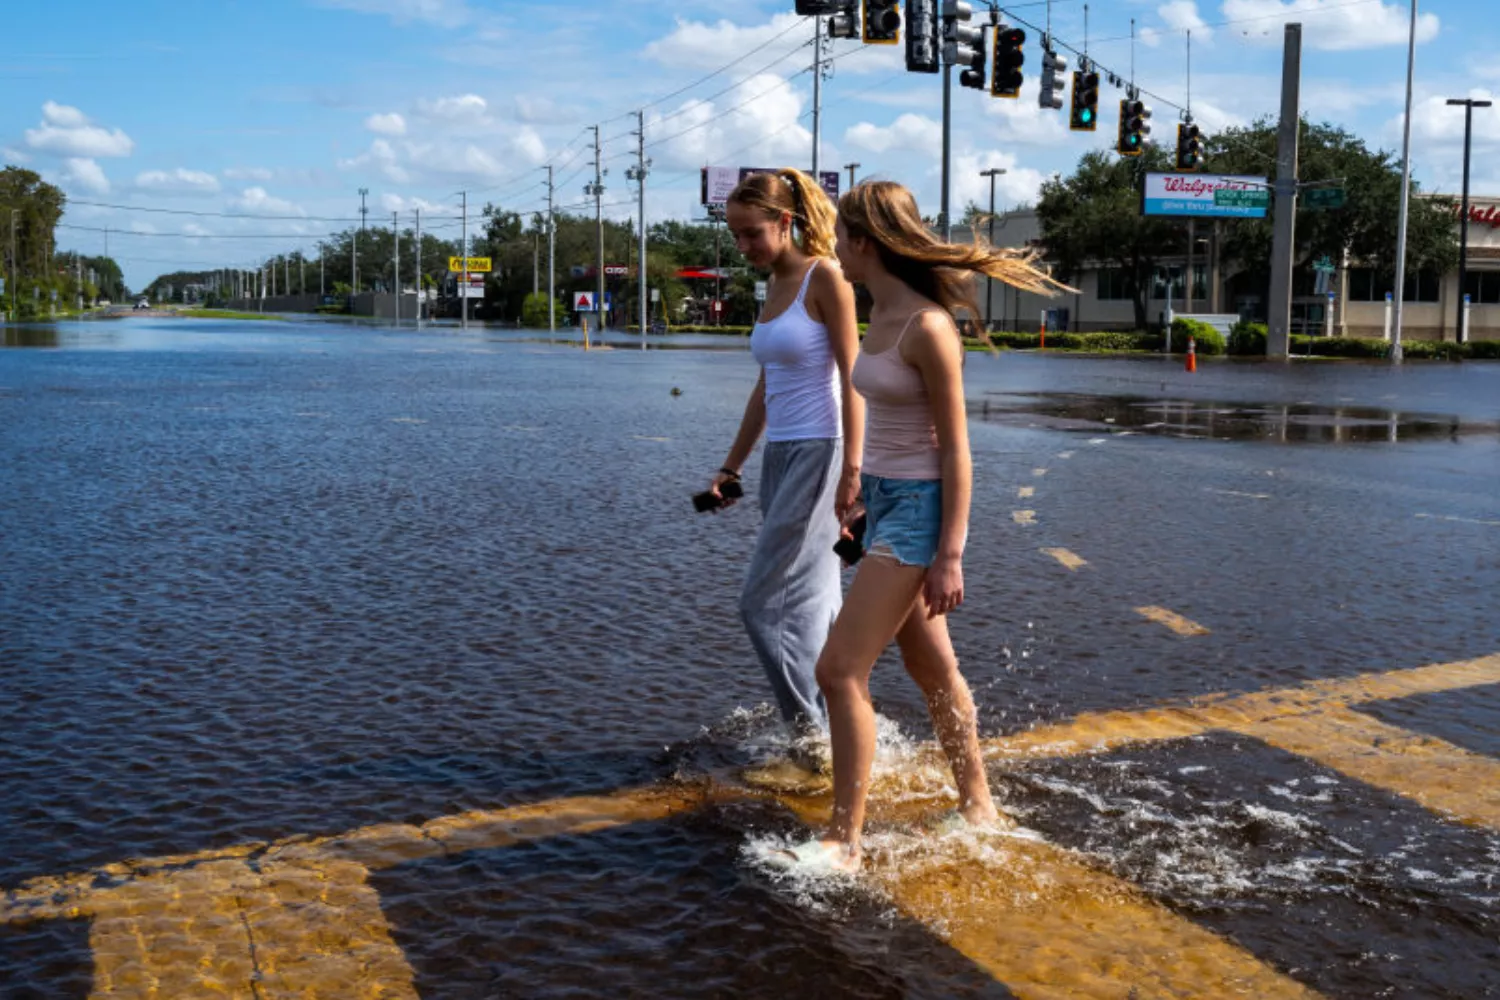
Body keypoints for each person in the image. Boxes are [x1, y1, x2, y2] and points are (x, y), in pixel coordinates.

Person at [772, 180, 1067, 873]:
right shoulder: (878, 313)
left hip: (922, 512)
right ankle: (978, 804)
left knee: (839, 669)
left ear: (866, 243)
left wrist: (950, 554)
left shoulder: (928, 327)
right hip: (883, 501)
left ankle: (845, 842)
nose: (833, 249)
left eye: (841, 237)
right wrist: (860, 492)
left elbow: (956, 448)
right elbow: (885, 421)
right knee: (930, 664)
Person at [706, 169, 863, 744]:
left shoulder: (826, 279)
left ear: (784, 222)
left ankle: (810, 736)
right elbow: (765, 387)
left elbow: (855, 380)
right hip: (781, 456)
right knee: (815, 602)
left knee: (761, 603)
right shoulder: (773, 285)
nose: (744, 246)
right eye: (736, 236)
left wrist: (853, 472)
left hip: (823, 452)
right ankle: (844, 723)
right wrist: (732, 466)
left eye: (752, 234)